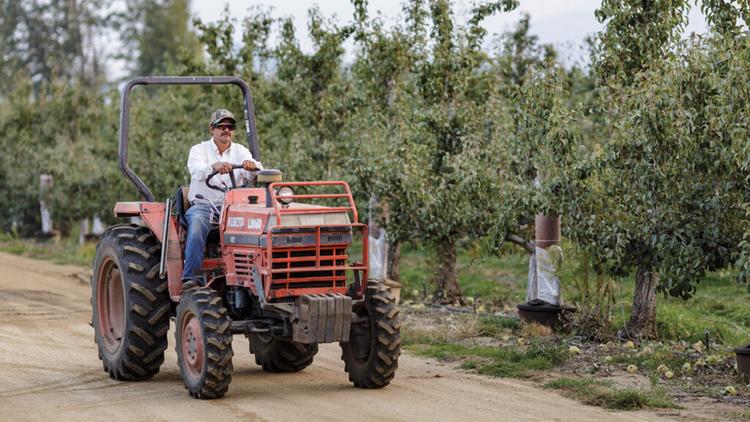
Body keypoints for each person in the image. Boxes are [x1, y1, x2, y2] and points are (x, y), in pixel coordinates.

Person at [182, 109, 262, 289]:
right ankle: (190, 277)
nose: (226, 130)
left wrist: (252, 167)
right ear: (211, 129)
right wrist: (214, 167)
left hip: (235, 207)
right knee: (197, 224)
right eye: (221, 126)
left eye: (230, 126)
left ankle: (256, 277)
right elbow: (197, 171)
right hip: (206, 206)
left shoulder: (240, 151)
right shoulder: (199, 150)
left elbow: (256, 169)